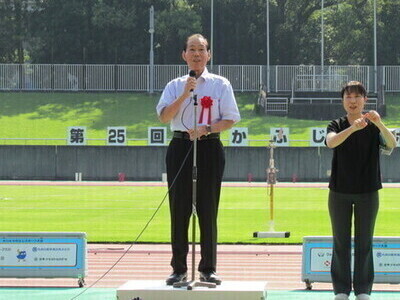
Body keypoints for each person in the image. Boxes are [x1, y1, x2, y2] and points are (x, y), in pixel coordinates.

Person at [156, 34, 240, 286]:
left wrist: (207, 129)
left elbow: (231, 118)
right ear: (184, 55)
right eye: (191, 49)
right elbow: (163, 117)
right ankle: (179, 268)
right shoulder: (174, 85)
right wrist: (184, 94)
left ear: (209, 54)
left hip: (209, 146)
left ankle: (208, 269)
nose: (196, 54)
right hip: (180, 146)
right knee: (179, 209)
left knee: (207, 208)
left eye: (201, 49)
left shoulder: (220, 84)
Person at [325, 81, 396, 300]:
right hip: (339, 191)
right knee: (340, 241)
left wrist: (380, 123)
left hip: (368, 191)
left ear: (365, 99)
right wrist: (352, 128)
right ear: (342, 101)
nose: (352, 101)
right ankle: (341, 290)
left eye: (357, 97)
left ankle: (363, 290)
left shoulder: (374, 124)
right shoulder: (336, 124)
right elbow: (331, 143)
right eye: (348, 97)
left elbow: (392, 144)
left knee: (365, 241)